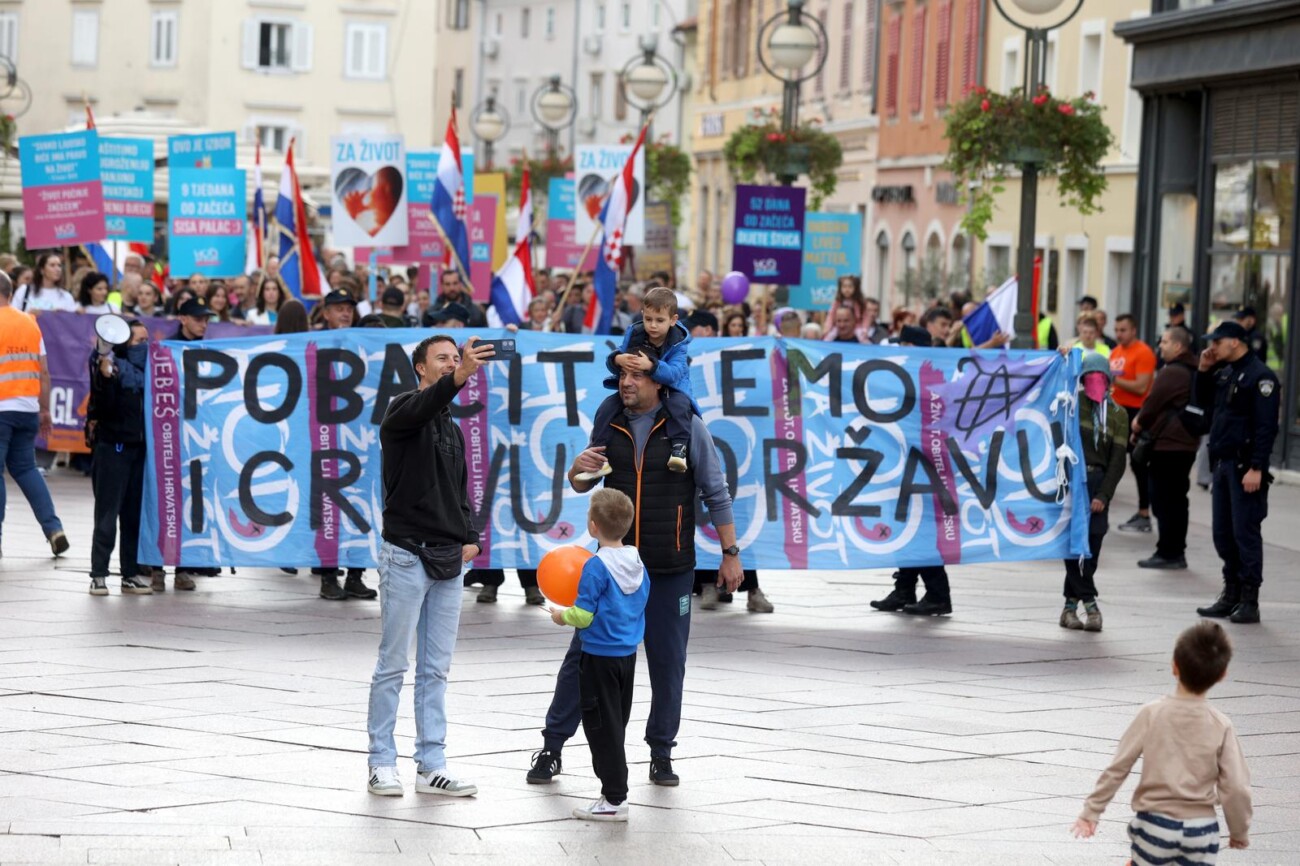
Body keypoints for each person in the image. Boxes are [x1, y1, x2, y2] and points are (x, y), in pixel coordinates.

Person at [527, 364, 743, 788]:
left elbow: (716, 492)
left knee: (668, 664)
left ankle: (661, 754)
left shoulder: (687, 427)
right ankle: (552, 747)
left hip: (670, 568)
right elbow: (581, 484)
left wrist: (730, 553)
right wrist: (576, 468)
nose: (626, 382)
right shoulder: (609, 421)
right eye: (622, 376)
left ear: (658, 381)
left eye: (636, 376)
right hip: (613, 567)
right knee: (581, 660)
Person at [365, 334, 494, 798]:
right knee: (392, 665)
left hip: (449, 560)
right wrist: (457, 379)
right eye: (441, 358)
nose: (451, 364)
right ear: (420, 368)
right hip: (405, 555)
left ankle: (431, 762)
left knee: (435, 669)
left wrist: (471, 538)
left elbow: (459, 490)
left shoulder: (452, 429)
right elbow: (428, 403)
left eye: (456, 359)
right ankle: (381, 761)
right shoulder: (402, 412)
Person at [1072, 622, 1251, 863]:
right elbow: (1236, 786)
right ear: (1222, 675)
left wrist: (1091, 812)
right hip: (1201, 829)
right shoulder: (1221, 724)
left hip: (1155, 824)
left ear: (1174, 666)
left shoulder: (1151, 714)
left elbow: (1118, 767)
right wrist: (1238, 831)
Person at [547, 488, 648, 823]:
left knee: (600, 728)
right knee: (616, 724)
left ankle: (614, 798)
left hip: (598, 657)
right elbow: (640, 602)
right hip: (627, 656)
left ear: (592, 527)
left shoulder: (595, 566)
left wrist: (562, 615)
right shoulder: (637, 561)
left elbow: (584, 616)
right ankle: (613, 792)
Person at [1192, 320, 1280, 625]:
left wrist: (1257, 467)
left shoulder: (1261, 378)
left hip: (1245, 468)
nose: (1212, 346)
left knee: (1245, 533)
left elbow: (1266, 428)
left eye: (1217, 341)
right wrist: (1203, 370)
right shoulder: (1225, 372)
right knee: (1222, 534)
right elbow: (1201, 404)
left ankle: (1249, 600)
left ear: (1235, 342)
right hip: (1223, 465)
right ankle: (1230, 594)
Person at [870, 322, 954, 616]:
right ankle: (904, 588)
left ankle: (938, 593)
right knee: (906, 526)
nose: (901, 352)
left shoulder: (931, 376)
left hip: (926, 465)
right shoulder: (906, 376)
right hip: (906, 461)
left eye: (905, 347)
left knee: (921, 528)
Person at [578, 287, 698, 479]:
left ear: (673, 320)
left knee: (680, 406)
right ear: (642, 315)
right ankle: (599, 454)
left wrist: (652, 366)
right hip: (638, 389)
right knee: (607, 407)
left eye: (660, 320)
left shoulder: (678, 343)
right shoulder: (635, 333)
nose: (653, 325)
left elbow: (675, 373)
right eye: (648, 319)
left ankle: (679, 449)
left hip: (671, 388)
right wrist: (619, 360)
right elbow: (618, 354)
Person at [0, 271, 70, 559]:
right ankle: (53, 529)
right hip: (27, 409)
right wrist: (44, 409)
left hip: (1, 409)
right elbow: (43, 371)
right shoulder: (30, 323)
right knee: (26, 469)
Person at [1057, 352, 1127, 632]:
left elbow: (1118, 460)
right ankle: (1089, 605)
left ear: (1109, 381)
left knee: (1093, 547)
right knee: (1073, 546)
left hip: (1098, 483)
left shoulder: (1119, 415)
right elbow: (1054, 389)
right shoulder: (1072, 406)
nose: (1095, 383)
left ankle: (1069, 607)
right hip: (1073, 481)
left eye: (1100, 378)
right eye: (1089, 378)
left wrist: (1104, 495)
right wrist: (1063, 361)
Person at [313, 290, 376, 600]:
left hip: (358, 436)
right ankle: (327, 577)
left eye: (349, 308)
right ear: (326, 313)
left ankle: (355, 574)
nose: (345, 314)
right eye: (338, 309)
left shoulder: (362, 342)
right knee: (328, 508)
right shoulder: (312, 342)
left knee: (359, 507)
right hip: (327, 437)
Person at [88, 319, 152, 596]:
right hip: (113, 448)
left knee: (132, 516)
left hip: (139, 450)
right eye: (139, 341)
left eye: (147, 340)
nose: (145, 346)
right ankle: (99, 575)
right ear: (125, 343)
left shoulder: (151, 374)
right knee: (107, 514)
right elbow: (102, 408)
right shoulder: (109, 368)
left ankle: (130, 574)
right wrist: (104, 379)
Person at [1133, 325, 1199, 570]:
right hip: (1185, 442)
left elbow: (1152, 403)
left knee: (1163, 499)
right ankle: (1174, 551)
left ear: (1178, 346)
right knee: (1177, 499)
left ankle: (1169, 552)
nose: (1160, 345)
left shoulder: (1173, 372)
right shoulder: (1194, 369)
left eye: (1165, 342)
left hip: (1169, 444)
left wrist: (1138, 423)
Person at [1110, 314, 1158, 535]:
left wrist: (1112, 378)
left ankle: (1144, 512)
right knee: (1114, 460)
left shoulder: (1143, 352)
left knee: (1139, 463)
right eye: (1117, 329)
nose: (1119, 334)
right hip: (1116, 412)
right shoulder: (1116, 352)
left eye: (1123, 330)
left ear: (1134, 330)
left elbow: (1140, 387)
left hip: (1136, 412)